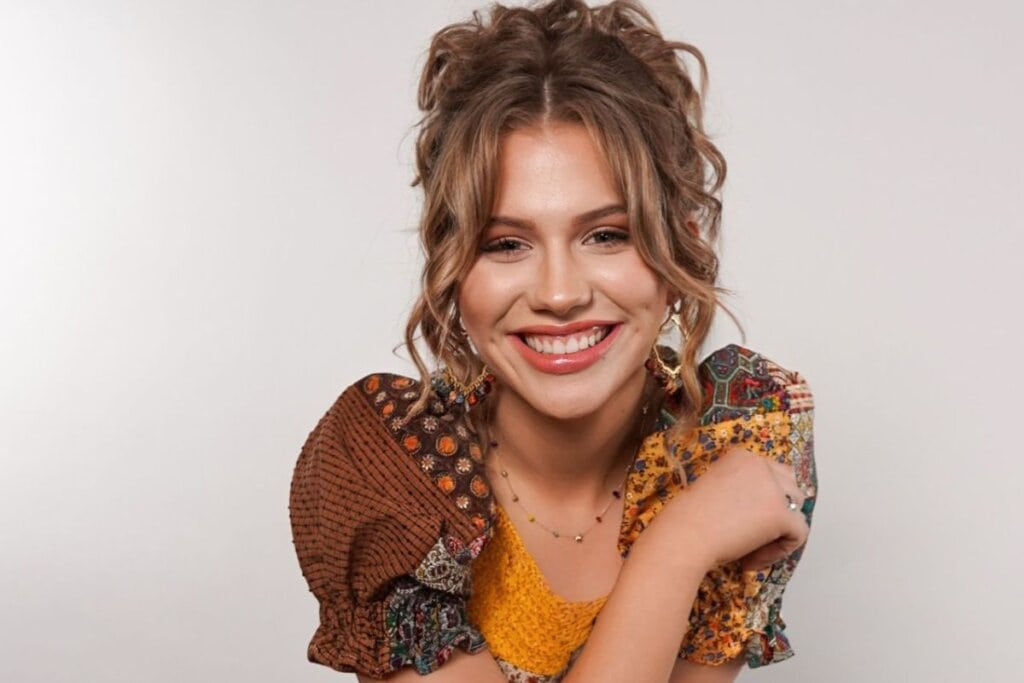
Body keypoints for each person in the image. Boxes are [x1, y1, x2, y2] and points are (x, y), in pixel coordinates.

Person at [289, 1, 818, 681]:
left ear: (681, 248)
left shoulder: (737, 434)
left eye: (607, 235)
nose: (560, 293)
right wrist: (679, 546)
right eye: (506, 244)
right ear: (453, 269)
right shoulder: (387, 463)